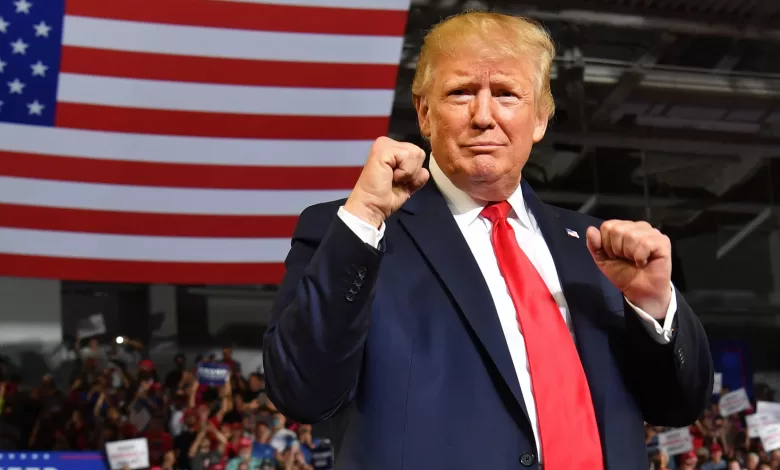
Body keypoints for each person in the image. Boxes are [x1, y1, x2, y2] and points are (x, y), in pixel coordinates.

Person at [263, 11, 712, 470]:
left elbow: (677, 407)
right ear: (424, 113)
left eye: (506, 94)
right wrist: (363, 219)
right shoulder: (354, 232)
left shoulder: (598, 250)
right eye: (461, 93)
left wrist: (655, 304)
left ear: (540, 118)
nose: (483, 116)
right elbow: (302, 392)